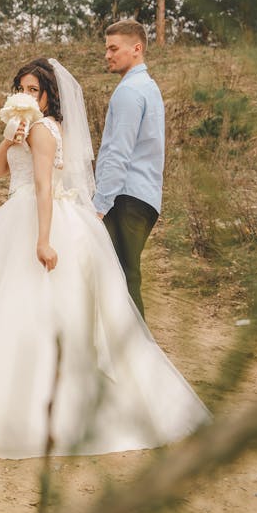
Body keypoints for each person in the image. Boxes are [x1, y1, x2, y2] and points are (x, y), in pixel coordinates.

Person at [0, 58, 210, 459]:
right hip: (16, 215)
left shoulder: (45, 129)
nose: (26, 94)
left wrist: (44, 240)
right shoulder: (24, 127)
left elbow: (43, 187)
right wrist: (8, 138)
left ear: (49, 95)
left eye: (33, 89)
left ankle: (44, 411)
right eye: (21, 87)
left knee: (40, 307)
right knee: (5, 308)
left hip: (40, 219)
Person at [93, 19, 164, 319]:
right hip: (144, 197)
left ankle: (137, 358)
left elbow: (118, 154)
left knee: (120, 278)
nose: (107, 55)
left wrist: (100, 205)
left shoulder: (129, 92)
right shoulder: (148, 87)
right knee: (125, 275)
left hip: (124, 198)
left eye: (113, 48)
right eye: (106, 49)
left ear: (136, 48)